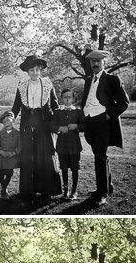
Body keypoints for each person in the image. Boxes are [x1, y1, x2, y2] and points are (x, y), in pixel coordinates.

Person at [78, 50, 130, 205]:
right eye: (92, 62)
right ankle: (107, 186)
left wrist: (108, 115)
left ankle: (102, 193)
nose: (95, 64)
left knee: (100, 156)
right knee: (98, 155)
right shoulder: (88, 80)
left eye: (98, 62)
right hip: (90, 122)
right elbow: (86, 100)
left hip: (103, 121)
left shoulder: (112, 79)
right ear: (90, 63)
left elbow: (124, 102)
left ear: (103, 63)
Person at [10, 54, 62, 199]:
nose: (35, 73)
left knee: (45, 156)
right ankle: (28, 190)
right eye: (31, 70)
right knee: (27, 156)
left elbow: (55, 104)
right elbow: (16, 107)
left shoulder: (47, 84)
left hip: (44, 122)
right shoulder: (22, 85)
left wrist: (58, 119)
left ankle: (47, 190)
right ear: (27, 72)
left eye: (37, 70)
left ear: (41, 70)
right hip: (27, 124)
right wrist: (11, 117)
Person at [54, 89, 85, 200]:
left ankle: (74, 191)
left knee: (75, 168)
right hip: (62, 145)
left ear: (73, 98)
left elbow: (84, 125)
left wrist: (76, 126)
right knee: (64, 168)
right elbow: (51, 126)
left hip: (74, 145)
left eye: (69, 97)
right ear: (61, 98)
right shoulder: (58, 111)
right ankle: (66, 190)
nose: (67, 99)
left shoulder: (77, 111)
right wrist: (59, 128)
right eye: (65, 97)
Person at [0, 110, 21, 198]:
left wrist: (13, 153)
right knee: (0, 174)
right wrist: (0, 151)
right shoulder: (1, 133)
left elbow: (20, 146)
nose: (6, 123)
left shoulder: (17, 134)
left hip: (11, 158)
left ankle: (4, 189)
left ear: (13, 121)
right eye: (4, 122)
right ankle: (3, 188)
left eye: (8, 120)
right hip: (1, 158)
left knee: (8, 173)